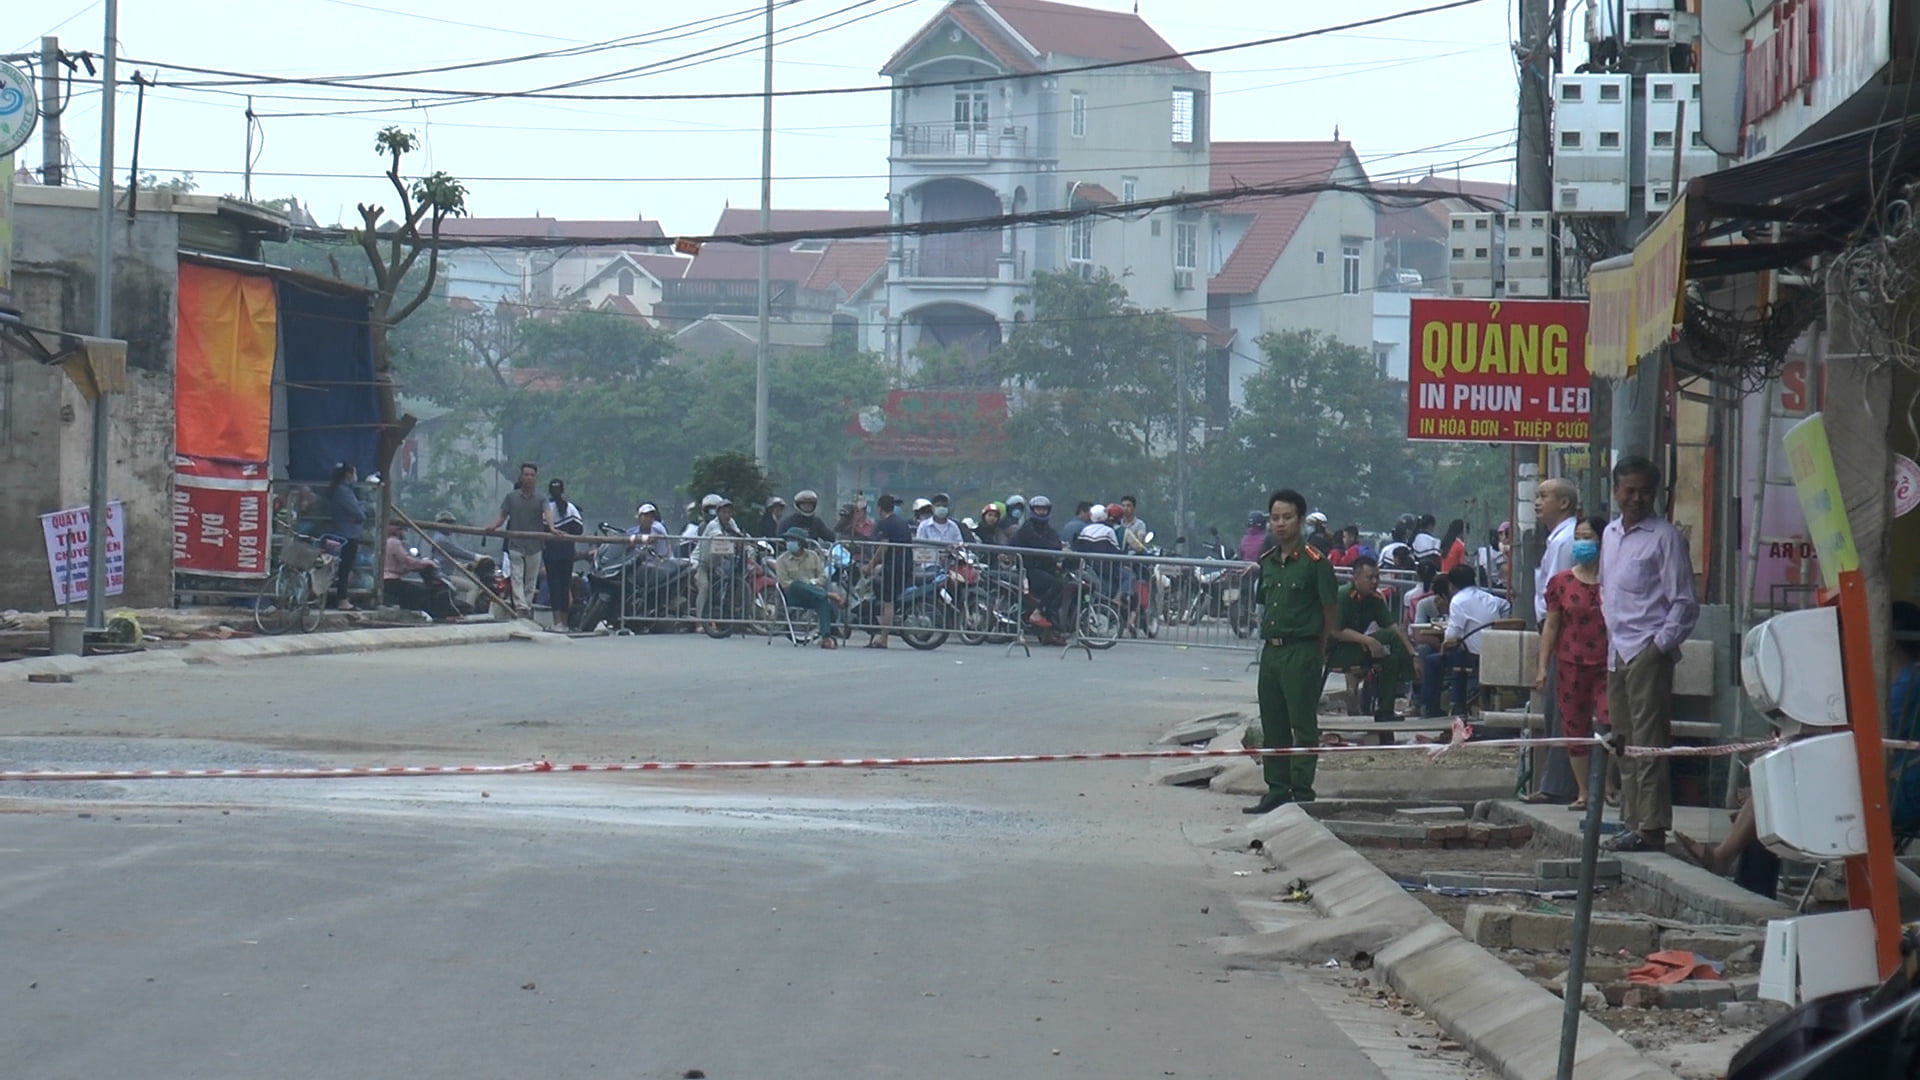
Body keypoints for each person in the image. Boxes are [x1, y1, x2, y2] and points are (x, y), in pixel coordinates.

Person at [1599, 455, 1700, 854]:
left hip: (1647, 650)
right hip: (1617, 650)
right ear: (1616, 492)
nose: (1636, 498)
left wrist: (1658, 647)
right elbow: (1607, 591)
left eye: (1644, 491)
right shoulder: (1609, 534)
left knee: (1649, 742)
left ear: (1654, 494)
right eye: (1630, 491)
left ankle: (1653, 827)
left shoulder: (1665, 538)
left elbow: (1685, 603)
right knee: (1623, 742)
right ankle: (1632, 822)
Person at [1246, 489, 1339, 815]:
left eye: (1287, 517)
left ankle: (1301, 791)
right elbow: (1262, 606)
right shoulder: (1268, 562)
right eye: (1275, 518)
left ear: (1300, 520)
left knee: (1302, 723)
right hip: (1271, 652)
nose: (1281, 523)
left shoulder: (1315, 563)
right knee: (1273, 722)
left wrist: (1320, 644)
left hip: (1302, 650)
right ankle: (1277, 788)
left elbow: (1329, 608)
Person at [1535, 516, 1610, 811]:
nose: (1581, 543)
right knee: (1574, 726)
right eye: (1577, 537)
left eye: (1587, 537)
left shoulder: (1614, 581)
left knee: (1610, 721)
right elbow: (1551, 626)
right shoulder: (1561, 583)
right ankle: (1583, 791)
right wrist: (1542, 667)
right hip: (1569, 662)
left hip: (1607, 664)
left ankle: (1608, 784)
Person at [1325, 555, 1417, 723]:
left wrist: (1413, 654)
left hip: (1356, 648)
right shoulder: (1343, 596)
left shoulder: (1375, 599)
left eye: (1377, 577)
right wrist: (1368, 641)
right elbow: (1336, 632)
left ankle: (1385, 710)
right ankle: (1410, 677)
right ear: (1356, 577)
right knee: (1388, 638)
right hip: (1334, 650)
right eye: (1370, 577)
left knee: (1391, 659)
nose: (1375, 581)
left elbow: (1393, 626)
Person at [1434, 563, 1510, 717]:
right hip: (1496, 652)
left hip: (1474, 656)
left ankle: (1432, 708)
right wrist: (1498, 626)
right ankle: (1459, 704)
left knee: (1432, 660)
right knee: (1458, 655)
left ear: (1452, 584)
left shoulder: (1458, 601)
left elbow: (1451, 637)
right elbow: (1506, 605)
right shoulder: (1488, 597)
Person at [774, 527, 839, 649]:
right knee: (796, 584)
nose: (789, 543)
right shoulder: (781, 560)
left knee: (822, 601)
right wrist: (806, 585)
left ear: (801, 542)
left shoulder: (813, 556)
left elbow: (822, 577)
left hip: (812, 595)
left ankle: (826, 637)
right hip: (793, 596)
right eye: (788, 540)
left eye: (793, 540)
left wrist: (812, 584)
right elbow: (785, 584)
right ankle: (828, 594)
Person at [865, 493, 914, 648]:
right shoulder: (901, 522)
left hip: (893, 567)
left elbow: (883, 548)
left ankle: (883, 638)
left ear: (879, 507)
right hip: (905, 566)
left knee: (888, 603)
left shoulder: (886, 524)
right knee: (889, 602)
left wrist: (870, 565)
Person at [382, 521, 456, 620]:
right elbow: (407, 560)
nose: (404, 533)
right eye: (403, 530)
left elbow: (402, 565)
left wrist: (414, 566)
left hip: (388, 580)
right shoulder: (394, 542)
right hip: (391, 581)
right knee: (422, 594)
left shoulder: (386, 542)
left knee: (416, 590)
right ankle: (433, 617)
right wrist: (424, 563)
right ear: (397, 531)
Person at [1013, 495, 1066, 630]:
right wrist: (1044, 545)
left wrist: (1044, 546)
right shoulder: (1026, 527)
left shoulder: (1049, 529)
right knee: (1056, 584)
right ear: (1032, 510)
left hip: (1046, 568)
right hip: (1029, 569)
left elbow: (1056, 545)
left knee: (1065, 583)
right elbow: (1035, 542)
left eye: (1044, 509)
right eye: (1038, 509)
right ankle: (1038, 612)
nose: (1041, 512)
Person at [698, 494, 748, 632]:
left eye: (729, 512)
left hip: (717, 564)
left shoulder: (731, 522)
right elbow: (717, 536)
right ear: (718, 513)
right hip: (701, 563)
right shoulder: (713, 525)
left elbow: (738, 534)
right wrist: (731, 540)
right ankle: (699, 622)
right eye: (724, 512)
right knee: (705, 587)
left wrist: (748, 541)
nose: (727, 515)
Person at [1533, 478, 1579, 623]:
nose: (1537, 503)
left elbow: (1557, 590)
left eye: (1543, 496)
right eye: (1536, 497)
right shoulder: (1559, 537)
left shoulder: (1564, 540)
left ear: (1564, 503)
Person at [544, 478, 584, 630]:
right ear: (563, 490)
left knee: (554, 586)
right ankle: (565, 622)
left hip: (550, 552)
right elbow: (579, 529)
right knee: (565, 585)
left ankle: (557, 622)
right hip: (567, 552)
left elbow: (541, 527)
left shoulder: (547, 508)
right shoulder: (571, 508)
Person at [324, 462, 365, 611]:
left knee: (342, 568)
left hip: (343, 532)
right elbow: (358, 513)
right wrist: (361, 511)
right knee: (344, 568)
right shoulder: (344, 491)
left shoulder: (340, 490)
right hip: (348, 534)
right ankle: (342, 599)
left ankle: (342, 598)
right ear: (348, 474)